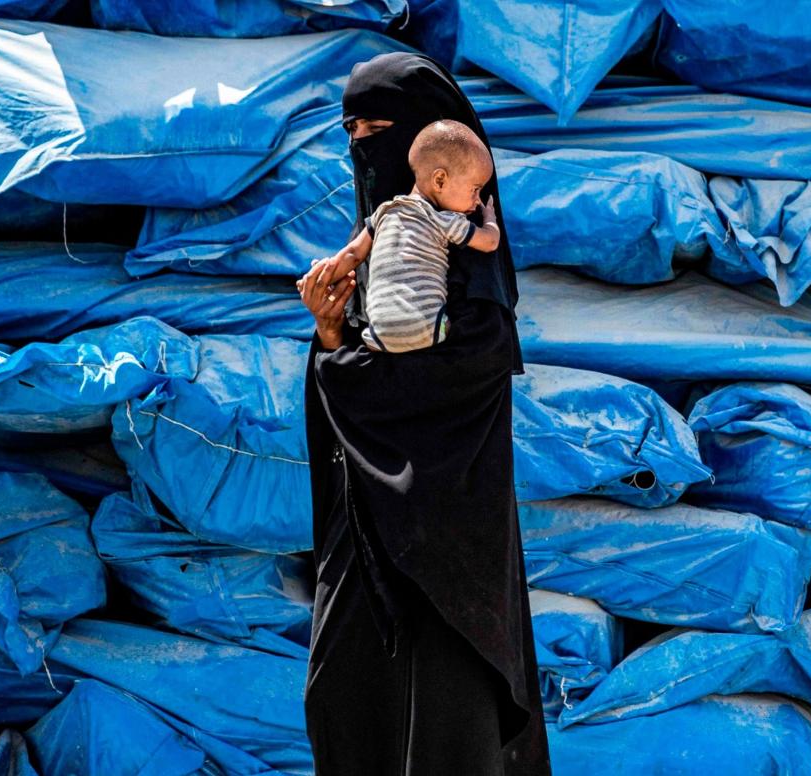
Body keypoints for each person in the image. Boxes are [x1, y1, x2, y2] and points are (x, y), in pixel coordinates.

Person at [298, 51, 552, 776]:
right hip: (366, 535)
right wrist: (330, 335)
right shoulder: (381, 245)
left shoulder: (475, 278)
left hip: (451, 553)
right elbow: (348, 383)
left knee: (449, 731)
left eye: (379, 129)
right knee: (345, 705)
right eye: (351, 132)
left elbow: (445, 380)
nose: (362, 148)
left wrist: (346, 363)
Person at [316, 119, 501, 353]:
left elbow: (352, 254)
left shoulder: (384, 212)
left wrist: (323, 275)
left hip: (377, 337)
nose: (477, 200)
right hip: (430, 329)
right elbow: (490, 242)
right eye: (475, 189)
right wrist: (490, 218)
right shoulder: (444, 220)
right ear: (440, 180)